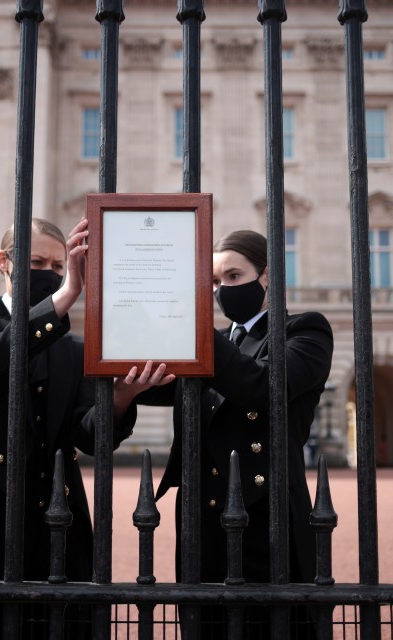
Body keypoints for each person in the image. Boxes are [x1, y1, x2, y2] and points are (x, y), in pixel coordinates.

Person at [0, 217, 171, 638]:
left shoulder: (74, 348)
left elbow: (89, 436)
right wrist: (65, 298)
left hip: (53, 514)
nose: (49, 272)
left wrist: (119, 397)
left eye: (59, 266)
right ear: (5, 261)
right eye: (37, 261)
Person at [135, 229, 334, 639]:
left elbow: (262, 388)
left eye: (232, 276)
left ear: (267, 278)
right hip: (202, 521)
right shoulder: (217, 342)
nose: (221, 289)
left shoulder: (305, 331)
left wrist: (194, 326)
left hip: (266, 516)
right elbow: (154, 382)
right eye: (212, 282)